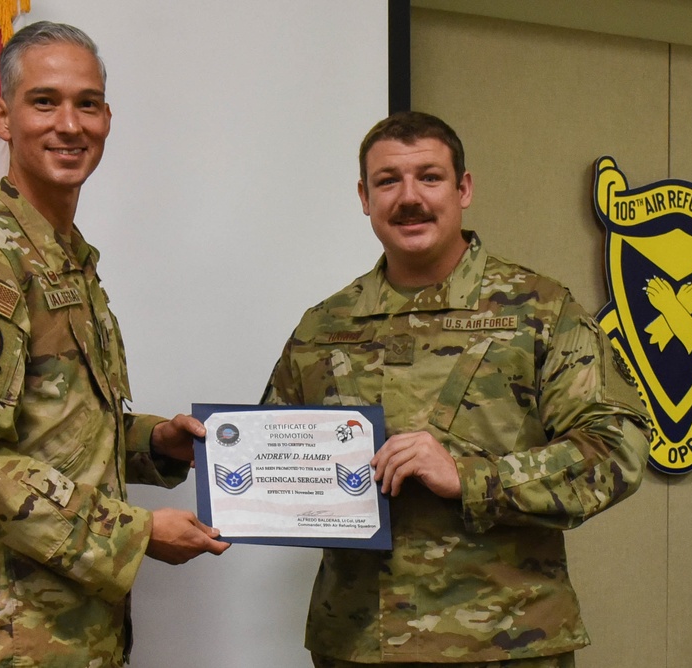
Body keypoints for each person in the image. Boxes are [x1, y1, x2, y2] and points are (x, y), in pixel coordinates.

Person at [261, 111, 651, 668]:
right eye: (388, 181)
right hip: (356, 643)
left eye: (430, 177)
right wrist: (214, 456)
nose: (409, 197)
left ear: (463, 188)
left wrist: (471, 477)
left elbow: (618, 449)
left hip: (505, 643)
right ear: (364, 197)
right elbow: (274, 454)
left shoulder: (539, 310)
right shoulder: (323, 326)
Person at [0, 21, 228, 668]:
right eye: (44, 101)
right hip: (18, 638)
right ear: (3, 118)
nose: (69, 124)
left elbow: (57, 427)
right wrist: (133, 535)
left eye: (87, 103)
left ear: (108, 119)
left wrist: (153, 443)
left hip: (88, 634)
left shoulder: (63, 261)